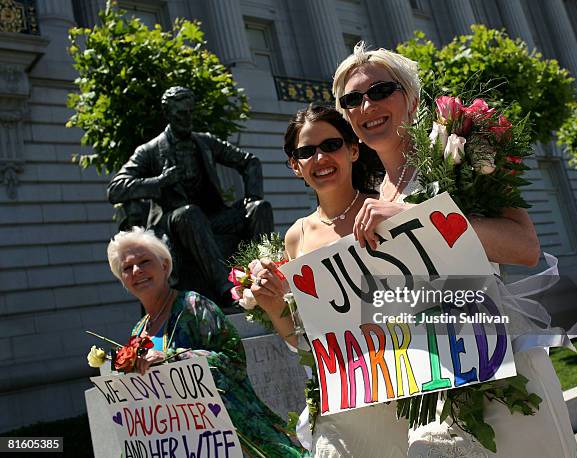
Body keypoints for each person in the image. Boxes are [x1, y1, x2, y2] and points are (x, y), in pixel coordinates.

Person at [332, 42, 577, 457]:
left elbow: (524, 247)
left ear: (411, 98)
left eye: (380, 91)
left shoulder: (460, 150)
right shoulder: (369, 200)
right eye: (352, 99)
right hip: (427, 378)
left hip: (501, 363)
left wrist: (410, 214)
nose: (366, 105)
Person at [252, 105, 412, 457]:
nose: (320, 157)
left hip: (410, 389)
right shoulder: (296, 238)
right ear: (295, 166)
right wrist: (274, 305)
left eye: (331, 145)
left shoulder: (386, 210)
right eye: (306, 152)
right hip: (344, 399)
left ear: (353, 150)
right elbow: (302, 339)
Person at [106, 227, 305, 457]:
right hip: (181, 445)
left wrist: (173, 357)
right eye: (127, 268)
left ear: (164, 265)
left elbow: (234, 364)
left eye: (144, 261)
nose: (137, 271)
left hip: (229, 437)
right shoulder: (138, 330)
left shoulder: (192, 306)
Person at [107, 86, 274, 309]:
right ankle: (227, 289)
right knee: (189, 213)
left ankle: (264, 277)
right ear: (168, 114)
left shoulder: (204, 142)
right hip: (176, 224)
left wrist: (252, 197)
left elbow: (249, 161)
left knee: (259, 208)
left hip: (212, 218)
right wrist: (159, 182)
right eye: (180, 114)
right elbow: (116, 189)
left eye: (189, 113)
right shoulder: (150, 150)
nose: (186, 119)